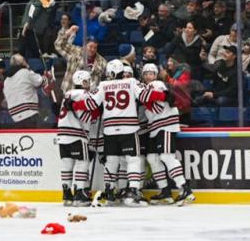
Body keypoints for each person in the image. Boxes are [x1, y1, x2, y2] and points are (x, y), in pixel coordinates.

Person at [69, 60, 150, 206]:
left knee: (111, 161)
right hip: (129, 128)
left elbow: (91, 104)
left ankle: (109, 191)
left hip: (110, 129)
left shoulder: (103, 85)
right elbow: (145, 97)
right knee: (133, 159)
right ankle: (133, 191)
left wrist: (75, 104)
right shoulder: (131, 82)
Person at [140, 63, 195, 205]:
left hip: (165, 125)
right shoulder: (148, 88)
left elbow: (157, 108)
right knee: (152, 158)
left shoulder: (157, 84)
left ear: (156, 75)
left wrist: (143, 99)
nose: (148, 76)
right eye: (145, 73)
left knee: (166, 156)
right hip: (156, 127)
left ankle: (184, 189)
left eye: (151, 73)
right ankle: (165, 191)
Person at [56, 70, 99, 207]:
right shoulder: (83, 94)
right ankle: (80, 193)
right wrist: (95, 114)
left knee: (66, 165)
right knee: (82, 163)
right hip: (77, 135)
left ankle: (67, 194)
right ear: (83, 82)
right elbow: (86, 117)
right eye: (87, 81)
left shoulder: (67, 94)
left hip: (62, 135)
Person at [3, 54, 52, 128]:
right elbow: (41, 81)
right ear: (22, 62)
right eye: (24, 60)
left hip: (14, 117)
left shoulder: (6, 80)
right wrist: (47, 75)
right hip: (29, 113)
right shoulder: (25, 72)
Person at [55, 24, 107, 93]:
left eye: (95, 47)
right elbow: (58, 45)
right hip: (70, 92)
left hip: (89, 97)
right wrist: (69, 32)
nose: (92, 49)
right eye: (90, 46)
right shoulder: (75, 51)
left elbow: (107, 78)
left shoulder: (102, 61)